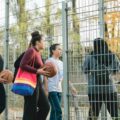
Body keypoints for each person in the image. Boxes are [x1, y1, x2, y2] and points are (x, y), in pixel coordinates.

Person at [83, 38, 120, 120]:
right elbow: (117, 72)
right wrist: (112, 78)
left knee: (93, 115)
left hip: (94, 89)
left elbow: (85, 71)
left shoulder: (89, 57)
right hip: (109, 89)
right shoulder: (113, 56)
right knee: (115, 114)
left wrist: (90, 82)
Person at [20, 31, 50, 120]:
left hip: (38, 84)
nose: (44, 43)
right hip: (31, 84)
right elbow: (22, 65)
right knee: (30, 111)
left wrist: (46, 69)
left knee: (45, 107)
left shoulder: (38, 53)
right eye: (43, 41)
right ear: (38, 42)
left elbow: (39, 67)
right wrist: (37, 71)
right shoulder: (31, 50)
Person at [45, 43, 77, 120]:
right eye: (58, 49)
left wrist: (72, 87)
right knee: (58, 111)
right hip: (51, 89)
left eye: (61, 49)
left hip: (59, 90)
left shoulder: (62, 63)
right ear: (53, 50)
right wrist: (46, 89)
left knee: (54, 110)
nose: (61, 51)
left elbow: (65, 77)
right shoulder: (49, 61)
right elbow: (44, 76)